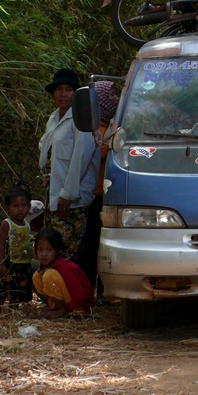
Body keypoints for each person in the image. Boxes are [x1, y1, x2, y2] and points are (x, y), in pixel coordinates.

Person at [39, 68, 100, 264]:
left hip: (73, 199)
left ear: (75, 94)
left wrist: (68, 193)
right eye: (59, 89)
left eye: (68, 90)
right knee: (54, 249)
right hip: (54, 193)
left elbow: (81, 157)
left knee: (69, 252)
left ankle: (71, 292)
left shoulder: (81, 117)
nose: (63, 94)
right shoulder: (53, 118)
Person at [78, 80, 120, 306]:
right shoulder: (95, 128)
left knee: (105, 245)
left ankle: (105, 292)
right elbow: (100, 150)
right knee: (92, 244)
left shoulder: (108, 124)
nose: (115, 100)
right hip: (96, 195)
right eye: (111, 96)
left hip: (108, 193)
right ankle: (89, 292)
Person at [33, 227, 95, 319]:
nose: (43, 254)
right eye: (40, 250)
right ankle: (54, 307)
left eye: (48, 250)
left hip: (81, 307)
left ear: (58, 251)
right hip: (70, 303)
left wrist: (61, 312)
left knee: (49, 275)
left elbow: (81, 296)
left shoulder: (64, 268)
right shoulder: (47, 266)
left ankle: (61, 312)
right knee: (37, 276)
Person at [0, 181, 34, 306]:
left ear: (29, 206)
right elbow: (1, 244)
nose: (20, 209)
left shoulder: (27, 225)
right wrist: (0, 263)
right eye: (16, 206)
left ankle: (13, 310)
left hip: (24, 265)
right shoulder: (7, 224)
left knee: (19, 290)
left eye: (24, 205)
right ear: (8, 208)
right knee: (3, 287)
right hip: (10, 264)